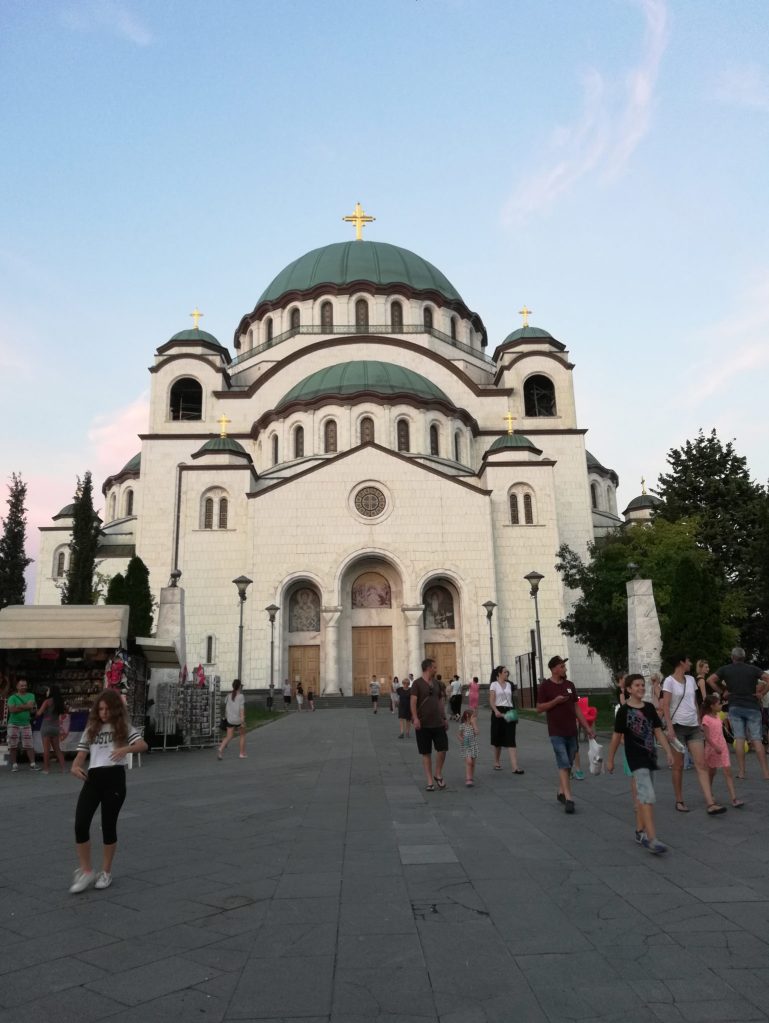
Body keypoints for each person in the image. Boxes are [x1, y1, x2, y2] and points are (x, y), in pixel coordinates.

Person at [69, 688, 147, 893]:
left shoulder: (123, 727)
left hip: (114, 778)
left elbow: (142, 745)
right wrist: (75, 767)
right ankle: (86, 870)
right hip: (93, 778)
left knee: (108, 826)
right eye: (101, 709)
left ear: (115, 709)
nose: (104, 712)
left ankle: (106, 872)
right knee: (80, 824)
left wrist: (126, 749)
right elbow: (79, 757)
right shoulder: (91, 729)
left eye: (107, 709)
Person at [607, 673, 674, 854]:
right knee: (647, 797)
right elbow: (616, 737)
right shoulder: (624, 711)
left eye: (642, 685)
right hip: (636, 759)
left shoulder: (649, 708)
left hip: (650, 757)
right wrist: (610, 759)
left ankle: (639, 831)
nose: (641, 688)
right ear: (629, 689)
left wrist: (668, 751)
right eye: (637, 685)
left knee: (643, 796)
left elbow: (658, 731)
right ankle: (652, 839)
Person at [660, 654, 726, 815]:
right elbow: (666, 706)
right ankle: (679, 800)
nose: (690, 663)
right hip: (677, 727)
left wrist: (698, 719)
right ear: (681, 662)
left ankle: (710, 803)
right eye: (688, 661)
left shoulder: (690, 680)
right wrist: (670, 728)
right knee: (678, 766)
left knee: (701, 764)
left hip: (693, 727)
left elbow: (695, 702)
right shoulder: (669, 681)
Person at [535, 656, 595, 814]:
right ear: (554, 669)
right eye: (562, 666)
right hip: (556, 732)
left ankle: (561, 791)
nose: (565, 669)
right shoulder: (545, 686)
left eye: (564, 666)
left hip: (571, 731)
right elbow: (539, 708)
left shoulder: (569, 685)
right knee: (563, 762)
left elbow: (576, 708)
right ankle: (569, 798)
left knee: (568, 762)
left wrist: (587, 727)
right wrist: (555, 702)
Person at [706, 647, 769, 781]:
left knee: (739, 738)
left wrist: (722, 692)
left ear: (732, 657)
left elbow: (710, 680)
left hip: (735, 706)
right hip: (752, 706)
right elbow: (767, 678)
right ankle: (766, 772)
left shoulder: (725, 669)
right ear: (744, 657)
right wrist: (762, 693)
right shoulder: (753, 669)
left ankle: (741, 772)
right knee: (757, 739)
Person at [410, 657, 448, 791]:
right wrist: (415, 718)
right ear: (428, 668)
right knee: (426, 753)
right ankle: (430, 781)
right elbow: (413, 702)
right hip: (423, 723)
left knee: (443, 749)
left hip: (438, 723)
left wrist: (444, 717)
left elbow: (440, 702)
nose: (436, 669)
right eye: (434, 667)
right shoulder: (417, 684)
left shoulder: (437, 684)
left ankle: (438, 773)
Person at [701, 693, 743, 808]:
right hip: (712, 749)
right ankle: (709, 793)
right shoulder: (706, 719)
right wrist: (715, 747)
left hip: (723, 747)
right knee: (711, 773)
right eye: (719, 704)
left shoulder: (718, 716)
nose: (721, 706)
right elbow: (707, 737)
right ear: (712, 706)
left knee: (728, 772)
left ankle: (734, 798)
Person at [489, 665, 523, 774]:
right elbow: (491, 700)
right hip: (498, 712)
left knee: (511, 738)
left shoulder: (509, 684)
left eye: (507, 672)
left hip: (509, 711)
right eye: (505, 672)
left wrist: (514, 713)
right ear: (499, 673)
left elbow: (511, 700)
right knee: (497, 738)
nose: (507, 674)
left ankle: (515, 767)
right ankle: (496, 761)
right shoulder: (494, 684)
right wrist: (495, 711)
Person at [7, 678, 40, 773]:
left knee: (29, 745)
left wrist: (19, 706)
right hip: (13, 723)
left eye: (25, 685)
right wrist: (26, 706)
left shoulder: (31, 695)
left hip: (26, 723)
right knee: (13, 745)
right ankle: (14, 764)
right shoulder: (12, 697)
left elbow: (31, 706)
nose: (24, 687)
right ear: (17, 686)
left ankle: (32, 764)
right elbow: (11, 710)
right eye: (22, 685)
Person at [36, 684, 67, 774]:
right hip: (56, 727)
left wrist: (36, 711)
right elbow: (65, 712)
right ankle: (64, 768)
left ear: (51, 692)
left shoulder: (47, 701)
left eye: (48, 690)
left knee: (46, 750)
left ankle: (46, 769)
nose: (47, 692)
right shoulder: (60, 702)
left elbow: (39, 713)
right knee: (57, 749)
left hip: (46, 726)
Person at [217, 679, 246, 759]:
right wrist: (242, 721)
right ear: (239, 686)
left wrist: (226, 717)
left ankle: (220, 749)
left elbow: (226, 708)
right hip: (238, 720)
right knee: (242, 736)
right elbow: (241, 710)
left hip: (230, 720)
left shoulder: (228, 696)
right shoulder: (241, 696)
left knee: (229, 736)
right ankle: (241, 754)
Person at [458, 709, 479, 786]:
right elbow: (459, 735)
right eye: (473, 717)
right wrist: (462, 740)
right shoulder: (462, 726)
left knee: (472, 763)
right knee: (469, 762)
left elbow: (477, 732)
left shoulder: (473, 725)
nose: (475, 718)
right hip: (466, 746)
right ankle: (468, 778)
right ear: (467, 716)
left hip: (473, 746)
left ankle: (471, 776)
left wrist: (474, 724)